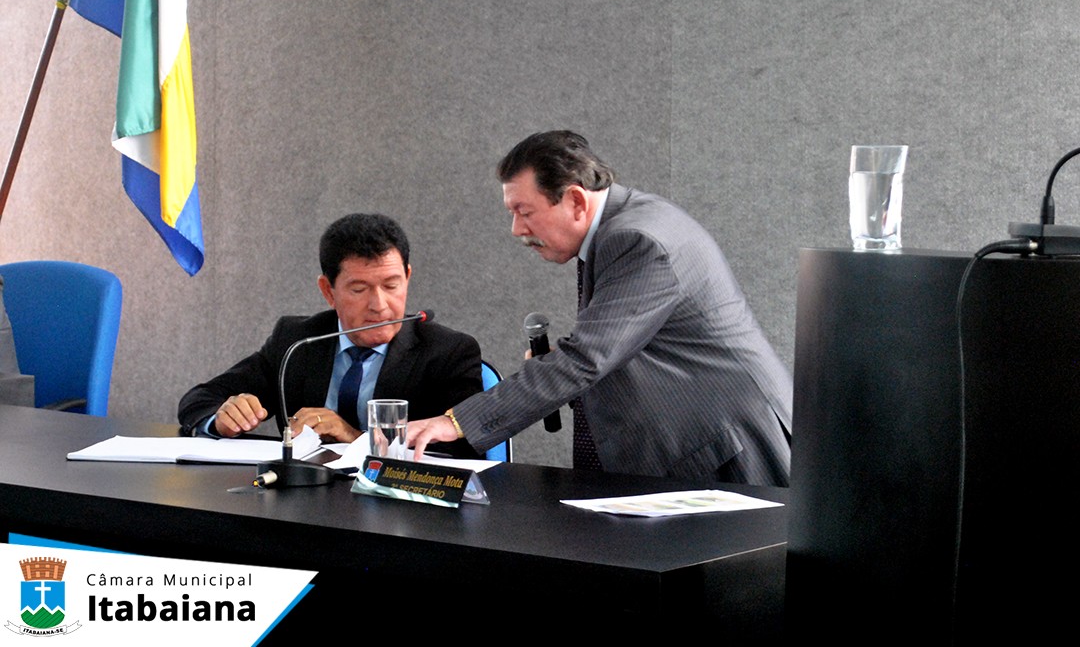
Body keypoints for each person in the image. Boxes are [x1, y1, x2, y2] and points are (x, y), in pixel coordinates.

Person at [408, 131, 793, 485]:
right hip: (702, 451)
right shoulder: (624, 227)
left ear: (576, 200)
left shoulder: (637, 240)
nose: (517, 229)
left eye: (525, 212)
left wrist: (456, 423)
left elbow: (585, 359)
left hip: (730, 455)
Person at [179, 213, 482, 457]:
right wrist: (222, 419)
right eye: (359, 289)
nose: (379, 305)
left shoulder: (447, 351)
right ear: (328, 291)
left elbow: (463, 452)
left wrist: (355, 438)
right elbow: (199, 399)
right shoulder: (298, 341)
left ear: (408, 277)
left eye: (391, 285)